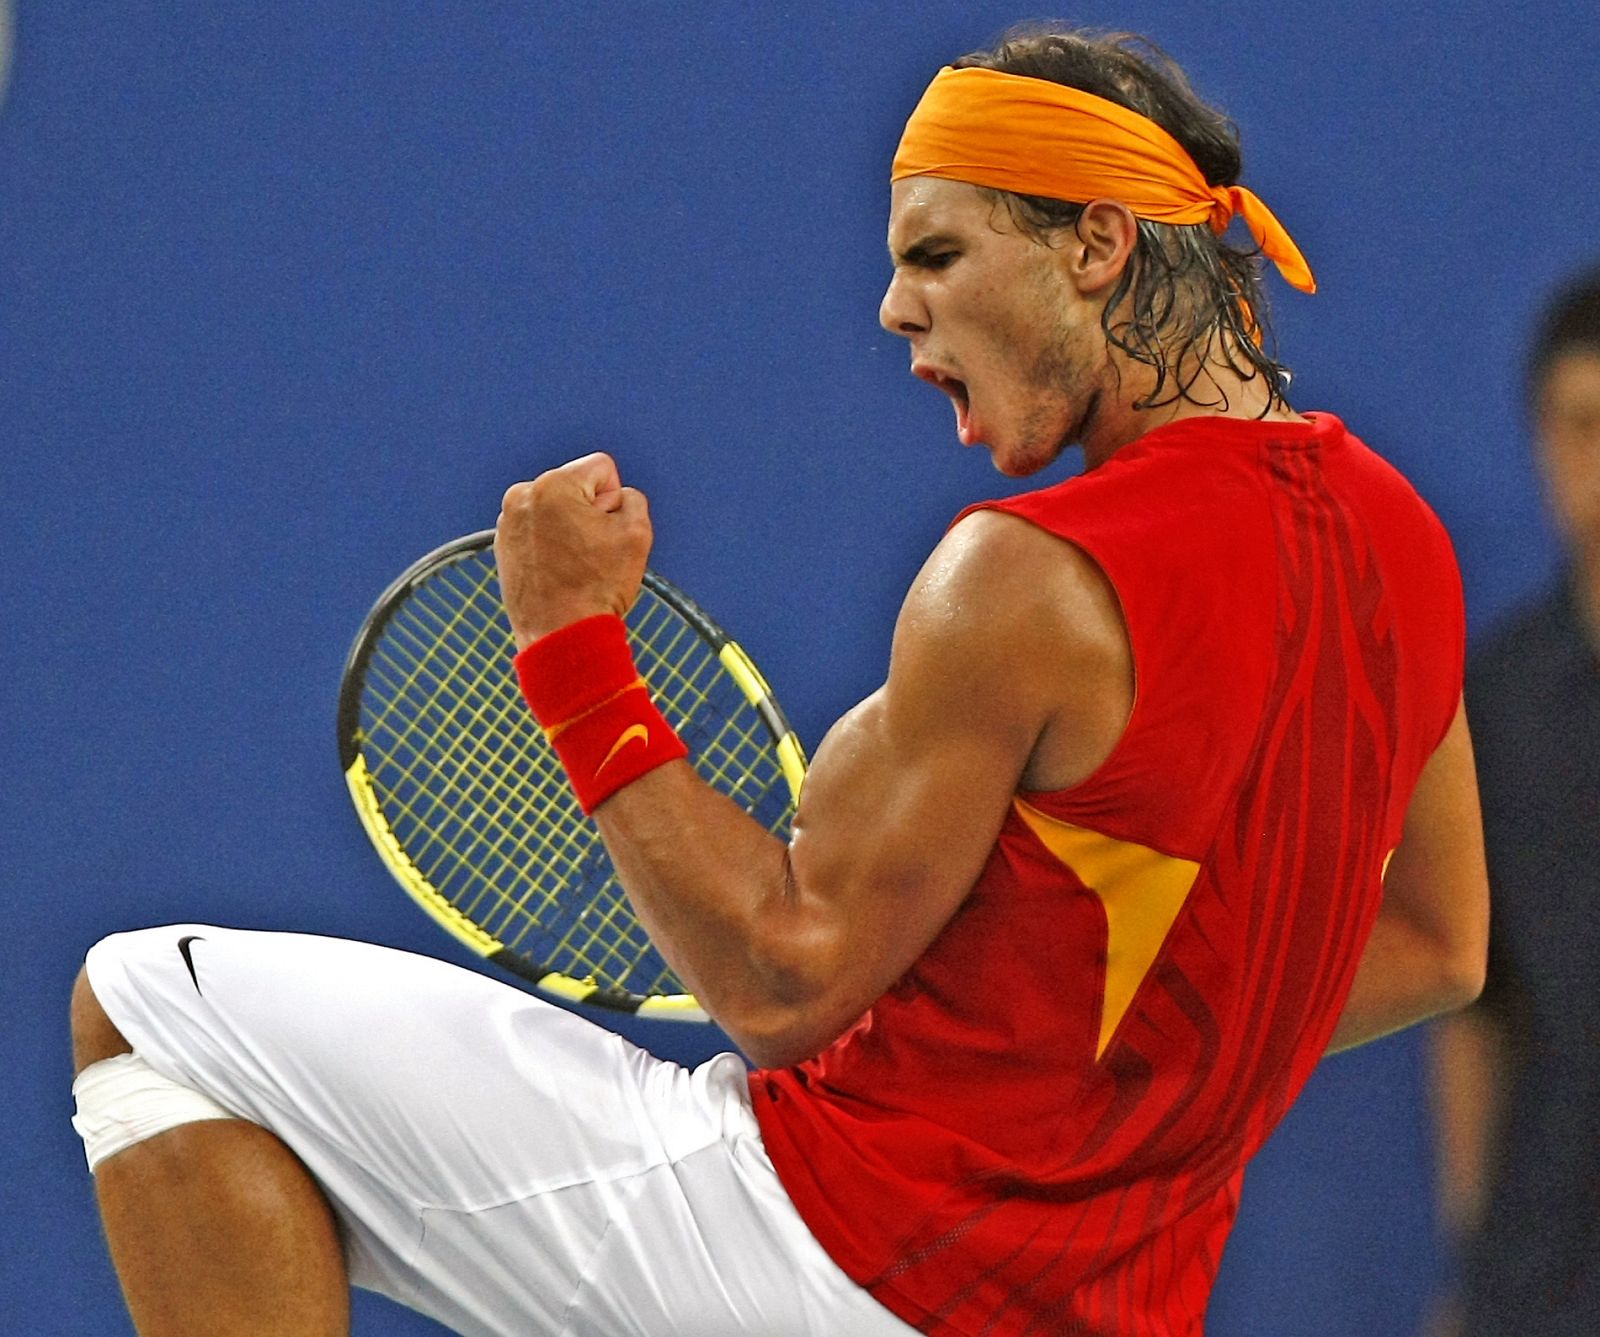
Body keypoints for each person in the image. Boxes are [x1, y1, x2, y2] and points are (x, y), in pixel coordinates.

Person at [69, 24, 1489, 1336]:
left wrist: (570, 647)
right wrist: (1094, 1067)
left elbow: (779, 979)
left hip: (815, 1254)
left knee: (142, 1003)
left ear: (1098, 245)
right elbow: (1438, 943)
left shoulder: (1021, 574)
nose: (891, 308)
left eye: (936, 255)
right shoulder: (1409, 549)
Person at [1428, 268, 1600, 1336]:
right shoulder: (1494, 701)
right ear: (1542, 439)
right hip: (1544, 1269)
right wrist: (1472, 1257)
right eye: (1581, 425)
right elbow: (1470, 1005)